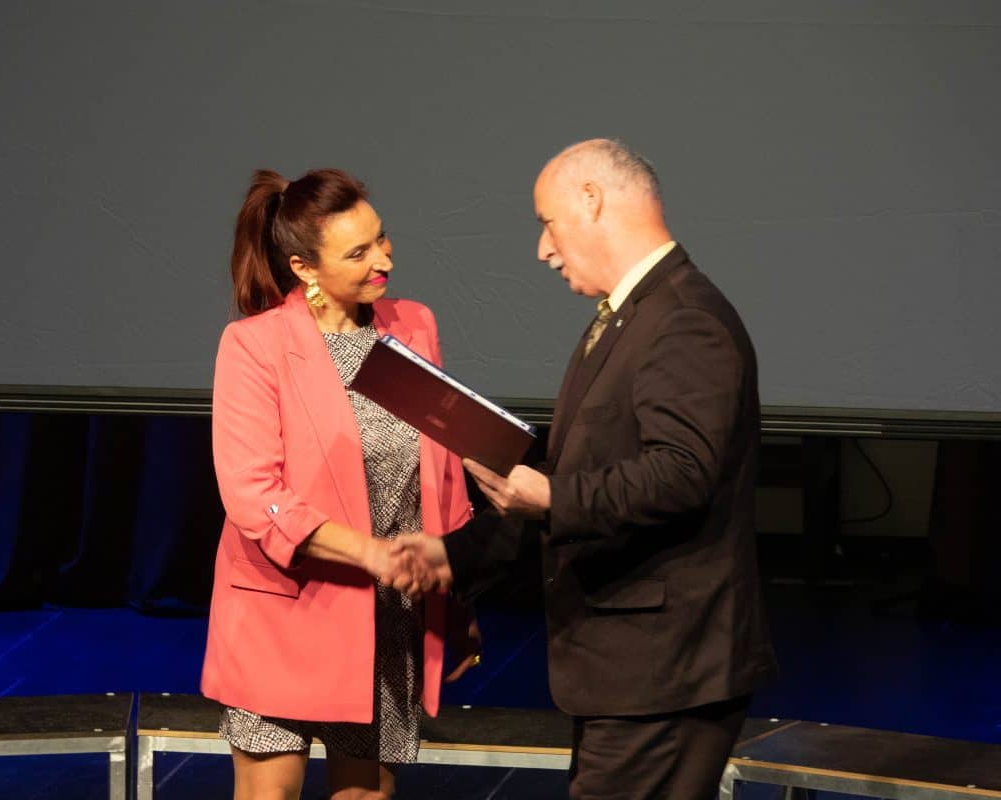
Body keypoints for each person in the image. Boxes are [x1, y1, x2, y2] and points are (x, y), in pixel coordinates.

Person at [393, 140, 778, 799]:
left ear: (592, 200)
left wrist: (550, 496)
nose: (543, 248)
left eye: (547, 222)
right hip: (633, 673)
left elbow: (682, 473)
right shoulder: (631, 318)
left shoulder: (684, 319)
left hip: (665, 669)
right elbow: (576, 475)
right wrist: (454, 554)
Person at [201, 168, 476, 800]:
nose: (384, 259)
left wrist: (460, 595)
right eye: (358, 253)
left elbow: (444, 471)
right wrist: (371, 554)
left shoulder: (413, 326)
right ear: (304, 268)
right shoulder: (255, 345)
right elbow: (252, 494)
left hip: (386, 619)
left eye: (381, 238)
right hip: (284, 612)